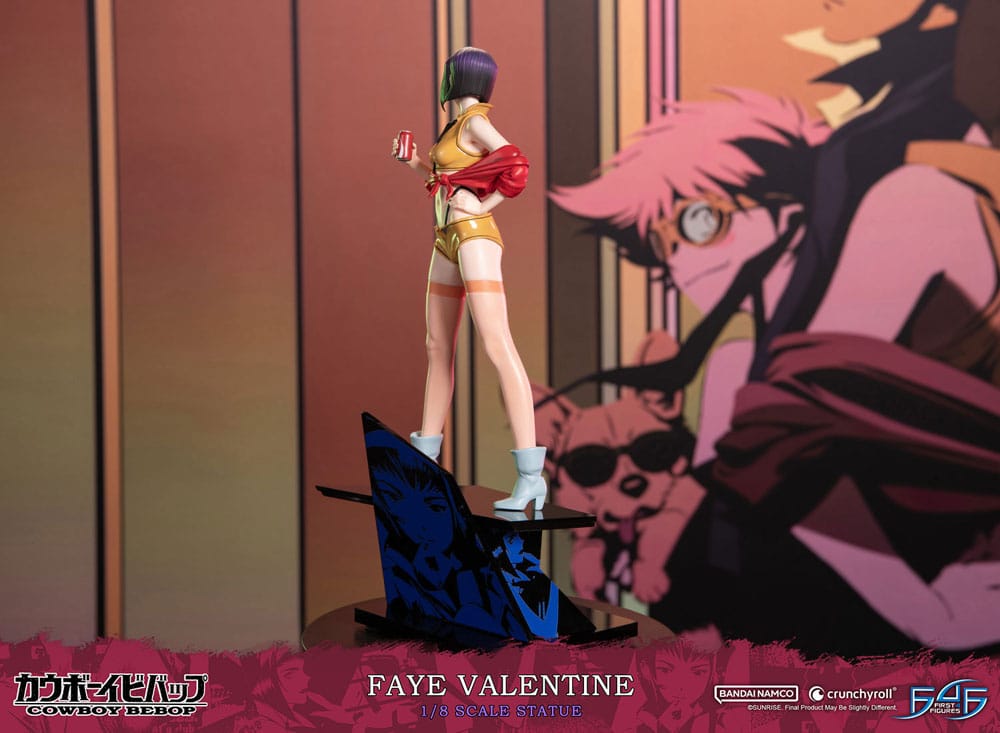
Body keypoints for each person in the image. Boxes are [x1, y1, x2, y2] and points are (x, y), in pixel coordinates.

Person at [393, 47, 544, 512]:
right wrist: (415, 163)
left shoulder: (476, 121)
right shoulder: (457, 126)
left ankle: (531, 476)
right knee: (437, 347)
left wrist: (483, 204)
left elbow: (516, 165)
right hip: (446, 238)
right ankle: (424, 466)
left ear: (456, 76)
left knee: (497, 343)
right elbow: (447, 181)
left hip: (474, 235)